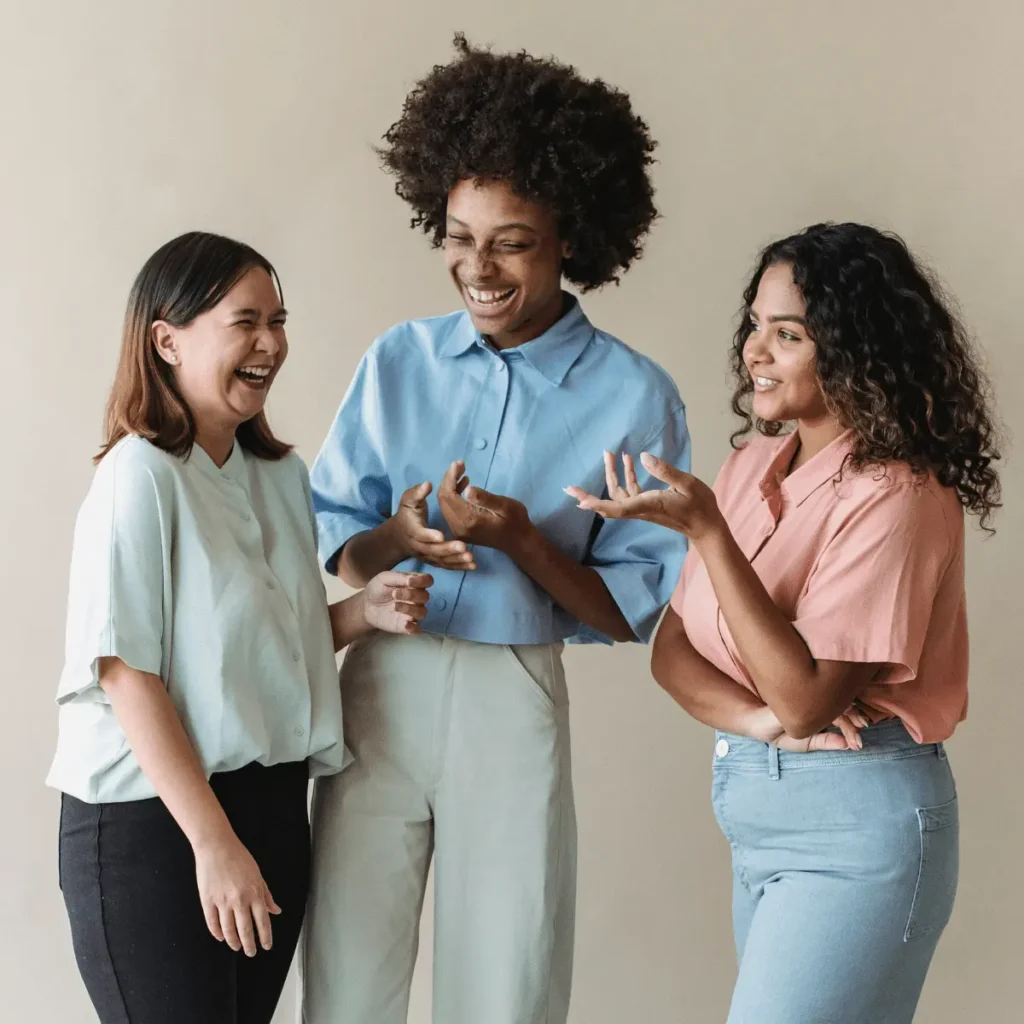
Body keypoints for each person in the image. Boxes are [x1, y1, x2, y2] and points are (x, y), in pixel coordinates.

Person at [301, 35, 690, 1024]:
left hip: (510, 698)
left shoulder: (633, 395)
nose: (476, 265)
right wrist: (401, 532)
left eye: (510, 239)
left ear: (571, 239)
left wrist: (521, 539)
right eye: (461, 232)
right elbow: (340, 546)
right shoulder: (397, 360)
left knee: (505, 981)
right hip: (380, 681)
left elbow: (625, 611)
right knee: (346, 973)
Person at [567, 221, 1002, 1023]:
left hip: (858, 827)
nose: (754, 353)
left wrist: (707, 534)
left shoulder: (897, 494)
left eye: (788, 333)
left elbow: (809, 700)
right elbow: (674, 648)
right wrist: (757, 723)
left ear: (854, 349)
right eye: (756, 327)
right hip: (756, 806)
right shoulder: (751, 465)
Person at [47, 231, 432, 1024]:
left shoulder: (282, 478)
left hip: (272, 809)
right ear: (166, 339)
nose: (270, 344)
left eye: (279, 320)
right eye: (245, 321)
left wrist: (364, 613)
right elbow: (128, 674)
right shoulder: (139, 476)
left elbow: (254, 653)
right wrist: (213, 845)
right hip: (156, 825)